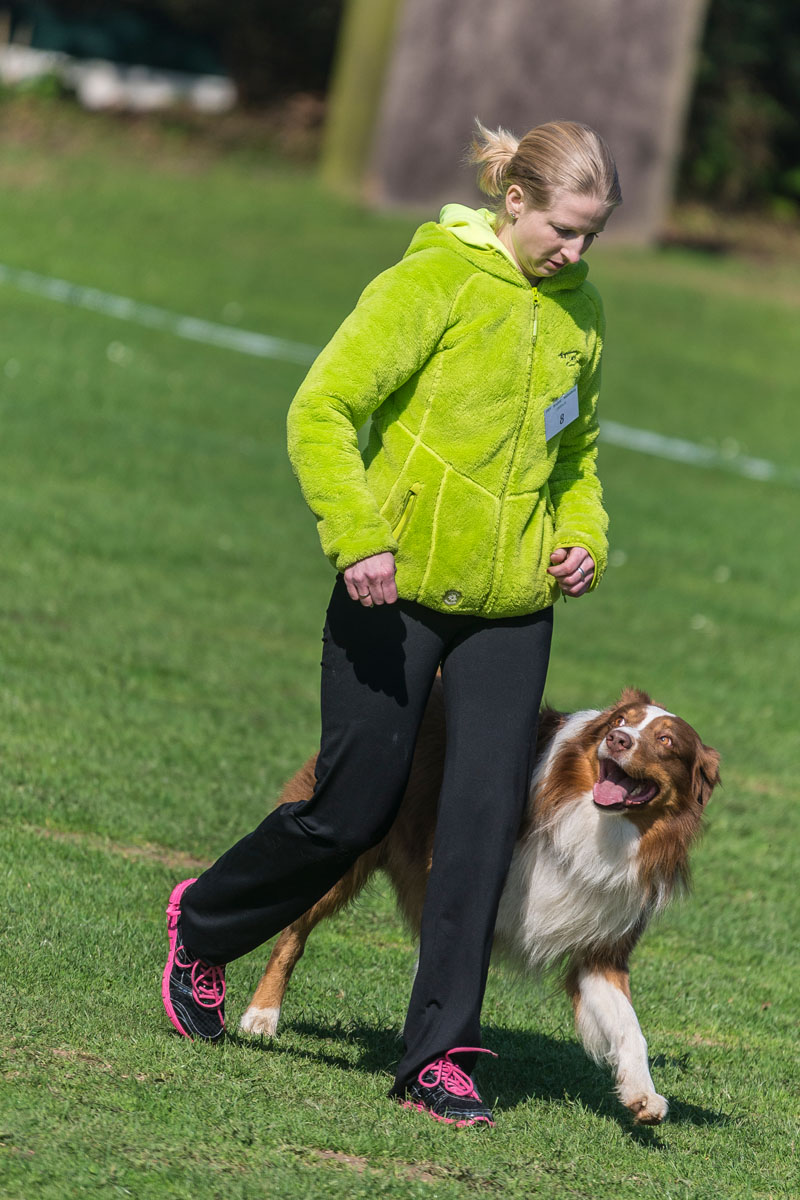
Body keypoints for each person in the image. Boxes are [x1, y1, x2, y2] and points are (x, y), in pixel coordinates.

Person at [161, 118, 621, 1128]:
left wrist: (581, 534)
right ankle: (204, 924)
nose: (576, 252)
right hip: (390, 590)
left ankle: (438, 1056)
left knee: (478, 832)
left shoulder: (580, 315)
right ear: (514, 202)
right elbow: (321, 409)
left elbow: (577, 456)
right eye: (563, 230)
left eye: (592, 235)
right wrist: (359, 537)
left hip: (511, 611)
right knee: (352, 810)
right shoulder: (432, 282)